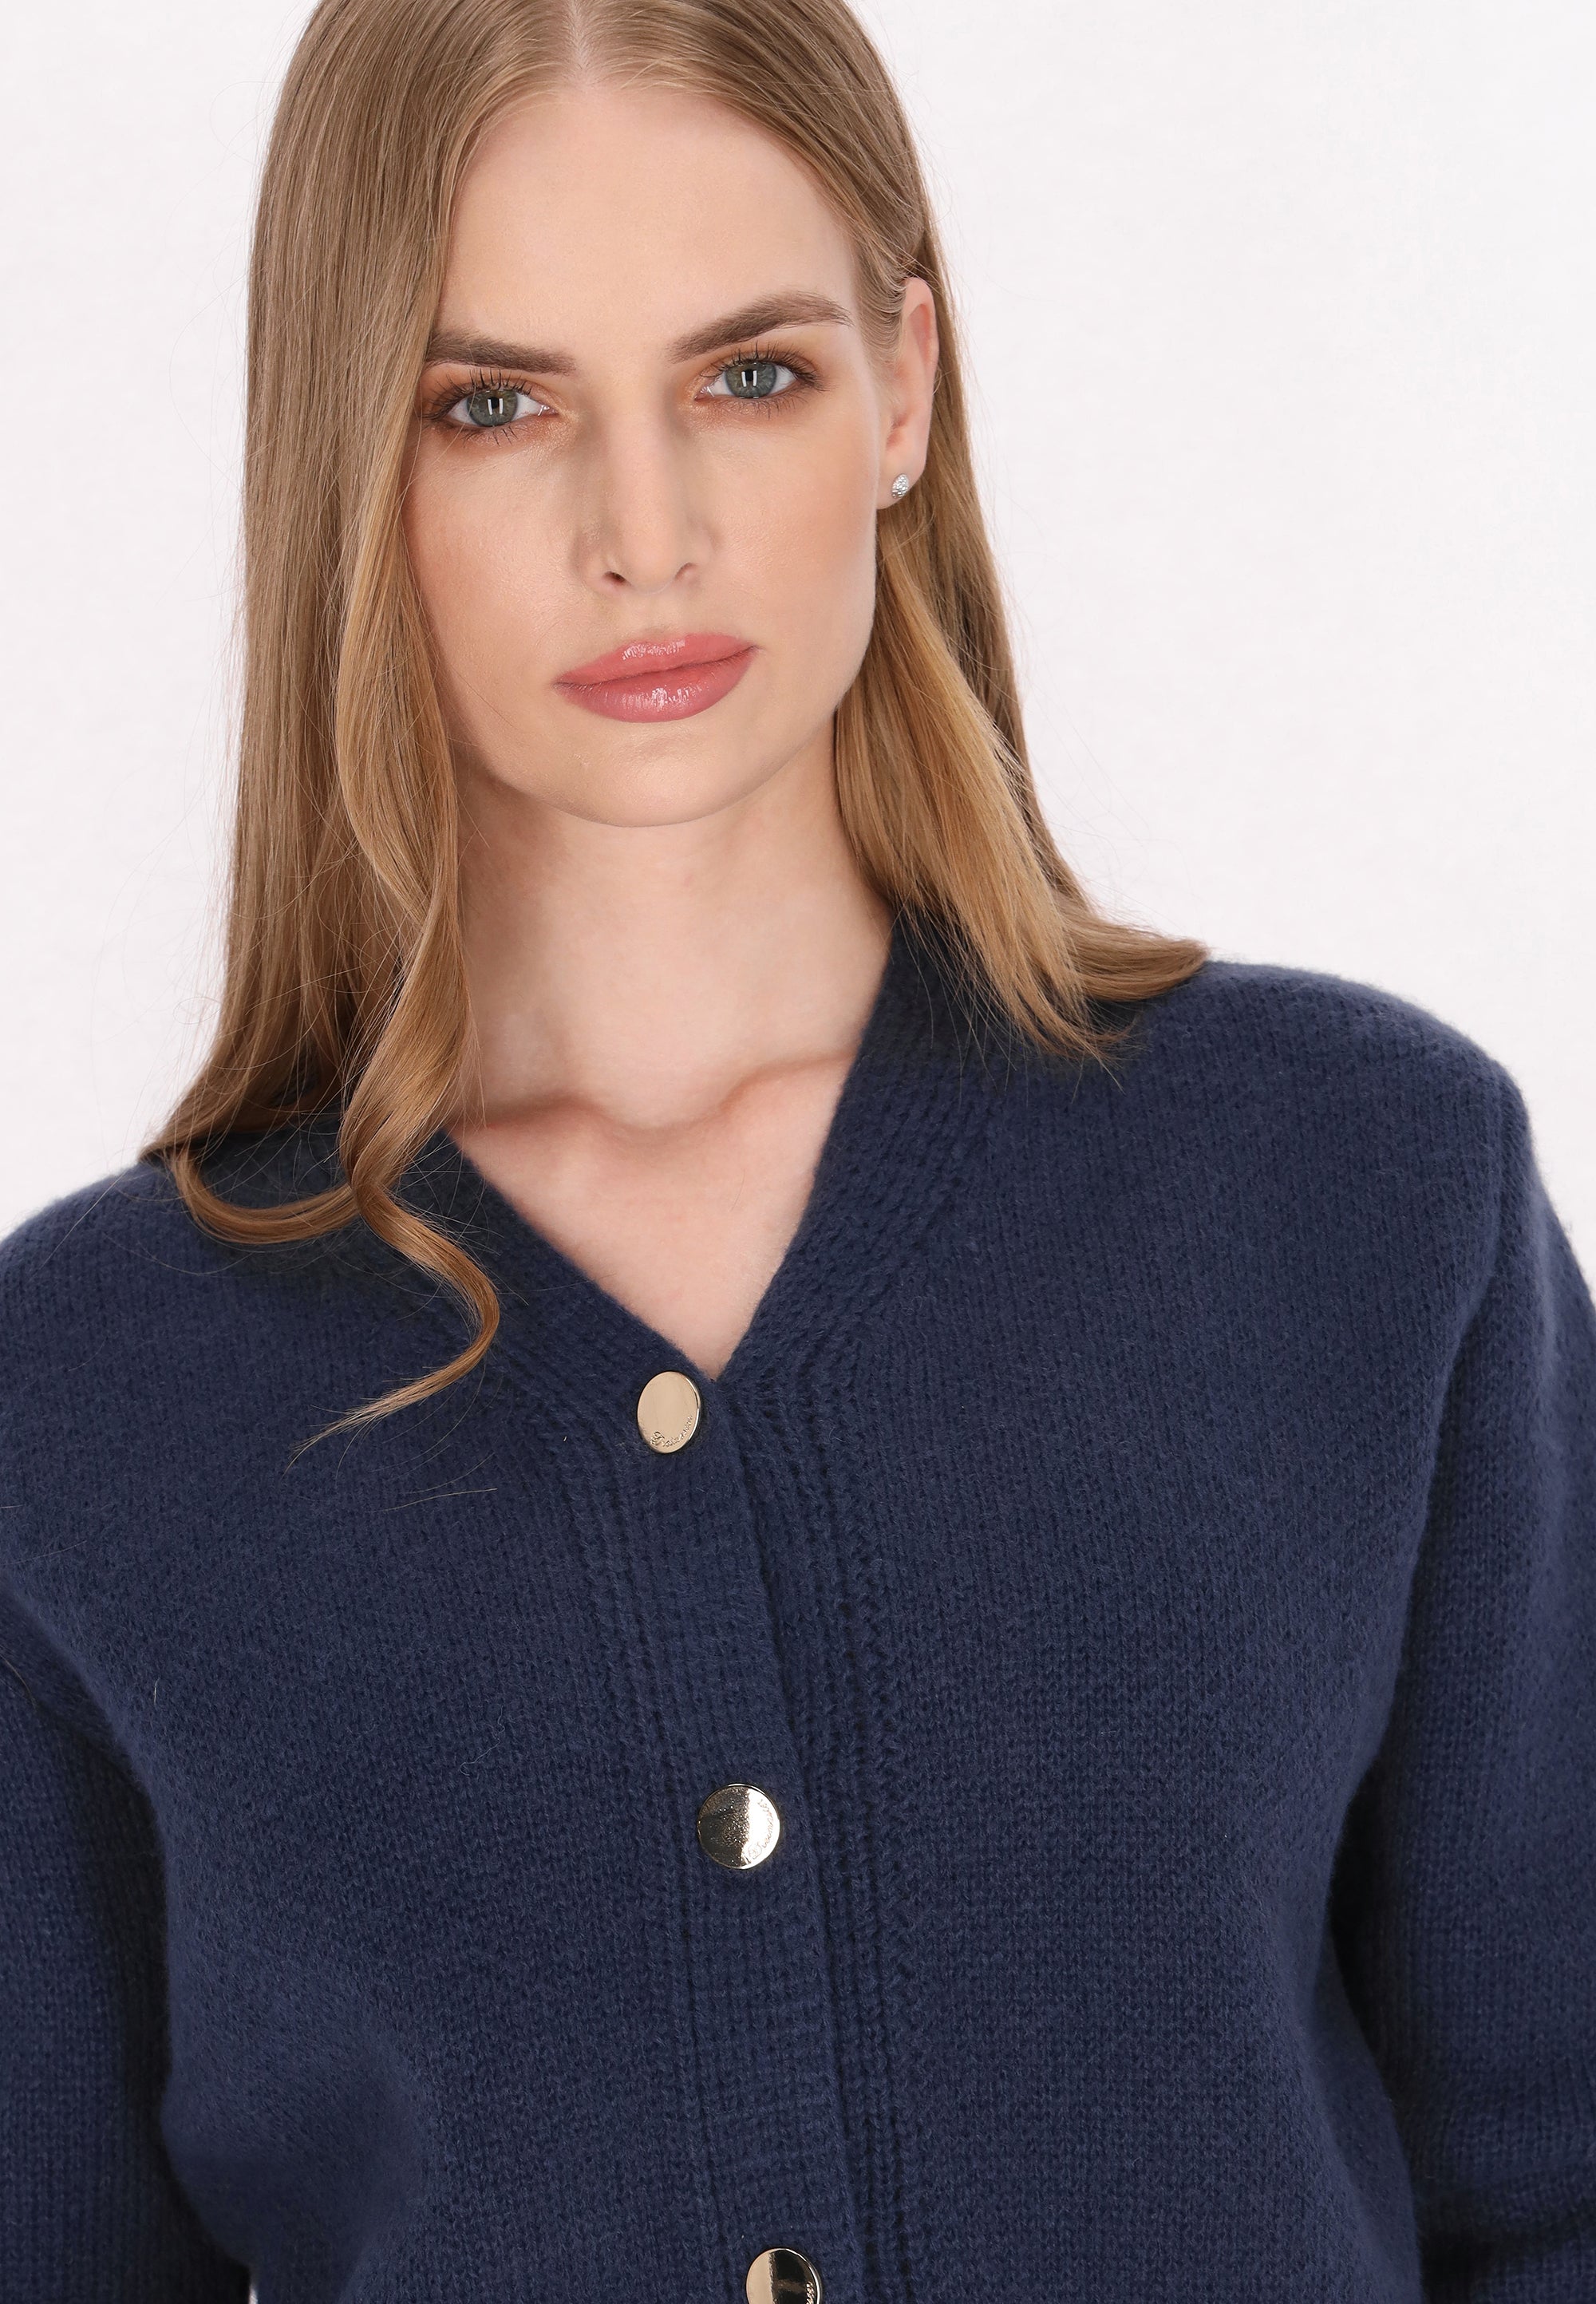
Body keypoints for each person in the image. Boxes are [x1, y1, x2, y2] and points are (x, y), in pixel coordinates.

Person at [2, 0, 1592, 2297]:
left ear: (904, 388)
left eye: (748, 375)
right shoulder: (89, 1399)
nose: (642, 536)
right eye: (491, 405)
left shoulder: (1360, 1196)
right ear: (347, 453)